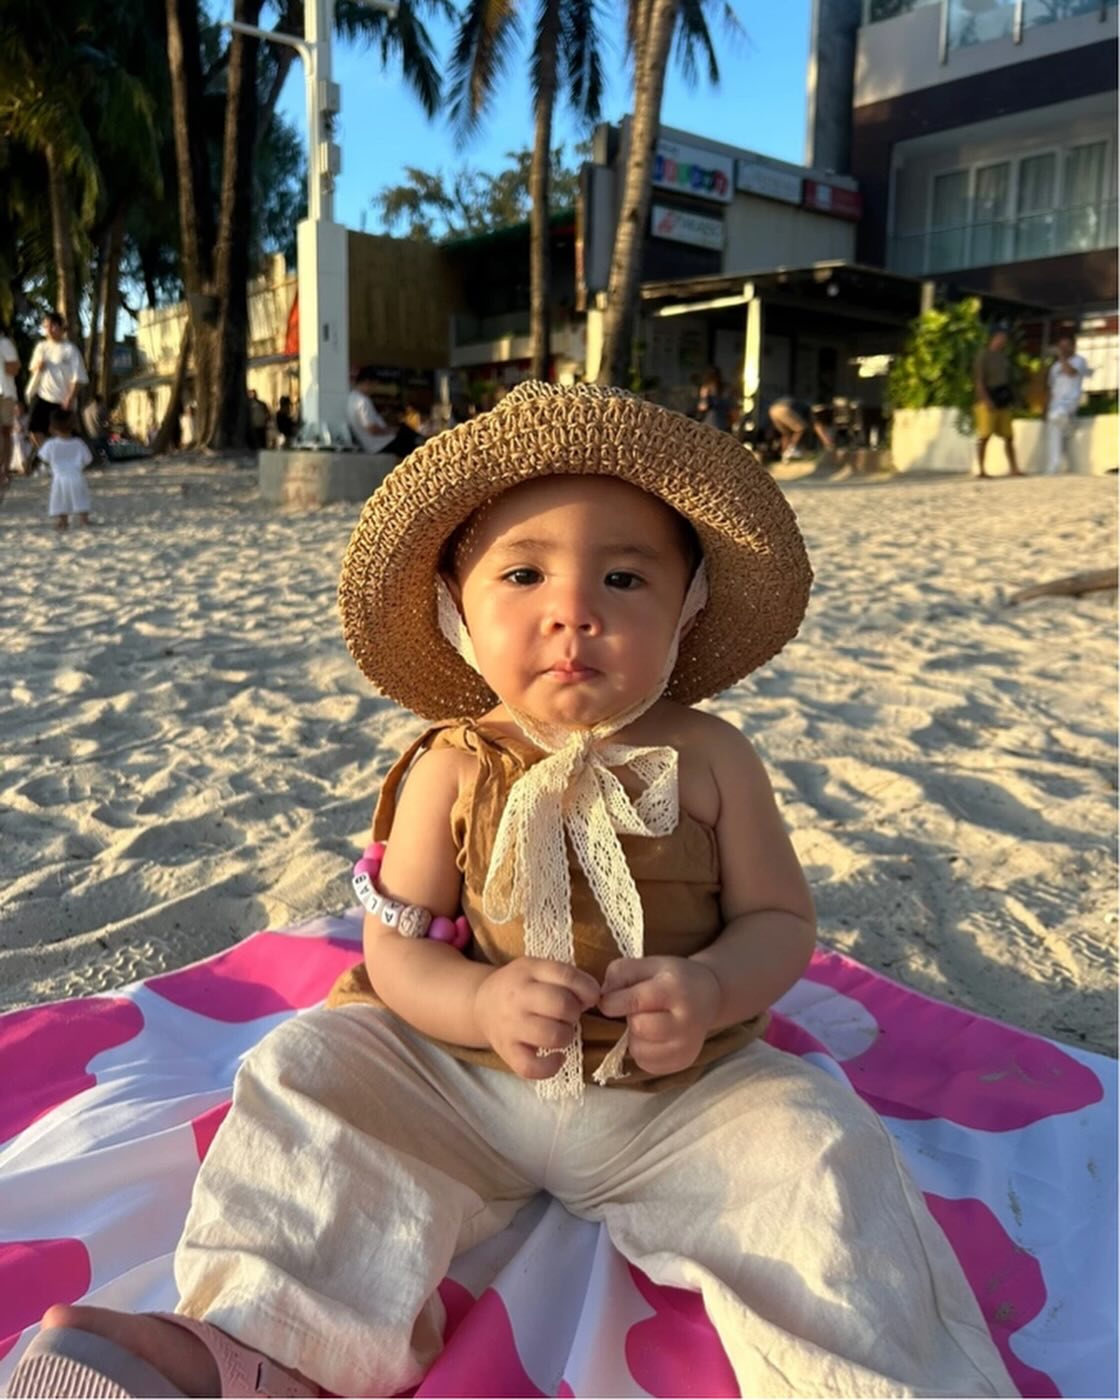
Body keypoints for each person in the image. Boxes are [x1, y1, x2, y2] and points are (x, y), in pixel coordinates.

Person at [8, 384, 1016, 1400]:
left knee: (821, 1152)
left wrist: (712, 988)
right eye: (524, 573)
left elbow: (778, 921)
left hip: (683, 1096)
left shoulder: (709, 757)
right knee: (310, 1070)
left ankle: (881, 1381)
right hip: (463, 1079)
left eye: (624, 577)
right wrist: (476, 1002)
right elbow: (396, 947)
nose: (572, 609)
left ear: (690, 605)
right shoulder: (449, 764)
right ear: (458, 606)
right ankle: (255, 1344)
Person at [26, 313, 88, 451]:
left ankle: (72, 457)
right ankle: (48, 458)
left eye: (53, 325)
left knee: (62, 432)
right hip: (42, 395)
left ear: (60, 327)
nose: (49, 329)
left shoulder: (70, 349)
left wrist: (70, 397)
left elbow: (78, 377)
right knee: (34, 430)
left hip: (62, 399)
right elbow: (32, 369)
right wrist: (38, 367)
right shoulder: (41, 347)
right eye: (46, 326)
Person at [973, 323, 1023, 479]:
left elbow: (1008, 380)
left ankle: (1014, 468)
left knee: (1009, 436)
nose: (1004, 340)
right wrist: (986, 400)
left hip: (1003, 397)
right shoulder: (984, 356)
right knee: (985, 436)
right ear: (994, 337)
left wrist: (1013, 398)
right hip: (988, 397)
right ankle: (981, 469)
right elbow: (979, 381)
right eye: (1001, 336)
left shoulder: (1004, 358)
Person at [346, 366, 423, 459]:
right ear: (367, 382)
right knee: (410, 439)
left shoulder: (351, 398)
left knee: (405, 432)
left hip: (373, 443)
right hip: (379, 444)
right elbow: (371, 428)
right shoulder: (363, 401)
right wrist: (391, 431)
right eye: (374, 385)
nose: (374, 389)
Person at [1043, 333, 1093, 476]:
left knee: (1057, 417)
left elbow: (1071, 372)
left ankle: (1069, 428)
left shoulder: (1079, 361)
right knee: (1054, 434)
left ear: (1073, 347)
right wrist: (1045, 408)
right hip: (1055, 404)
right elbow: (1051, 389)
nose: (1063, 349)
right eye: (1060, 347)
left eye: (1066, 346)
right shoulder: (1055, 367)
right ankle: (1054, 466)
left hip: (1070, 403)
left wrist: (1061, 357)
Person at [38, 408, 93, 531]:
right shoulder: (78, 443)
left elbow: (43, 457)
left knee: (60, 499)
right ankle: (84, 519)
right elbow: (88, 459)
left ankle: (63, 520)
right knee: (81, 498)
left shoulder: (50, 444)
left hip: (59, 476)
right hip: (77, 475)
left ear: (52, 428)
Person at [767, 395, 834, 460]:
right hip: (785, 408)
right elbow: (817, 426)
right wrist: (828, 443)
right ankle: (791, 450)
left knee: (786, 434)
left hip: (773, 410)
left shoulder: (799, 404)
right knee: (801, 429)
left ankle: (784, 454)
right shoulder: (809, 409)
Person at [0, 323, 19, 495]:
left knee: (4, 433)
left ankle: (4, 470)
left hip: (4, 394)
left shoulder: (4, 343)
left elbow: (14, 368)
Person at [695, 367, 732, 432]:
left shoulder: (725, 392)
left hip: (721, 425)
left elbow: (728, 408)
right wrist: (705, 397)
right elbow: (702, 407)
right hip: (709, 426)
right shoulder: (705, 390)